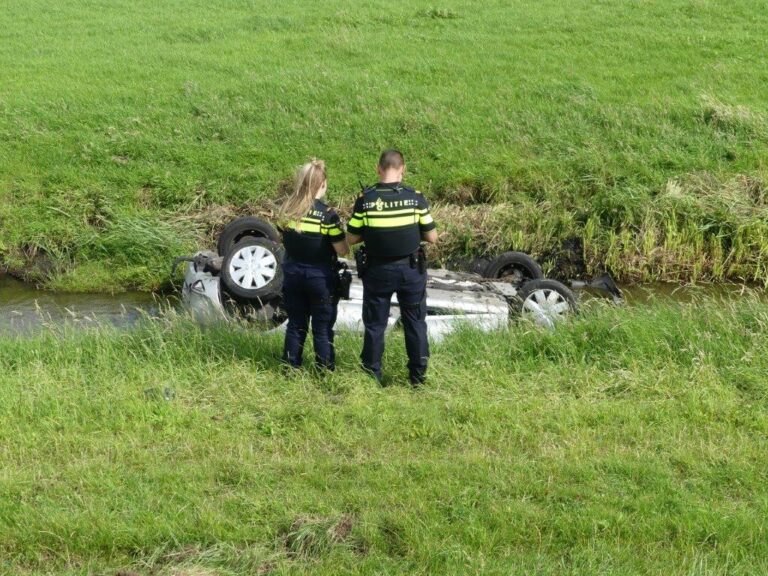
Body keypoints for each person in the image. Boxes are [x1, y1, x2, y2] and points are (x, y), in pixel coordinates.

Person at [346, 150, 438, 385]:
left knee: (375, 325)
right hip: (411, 270)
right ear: (402, 169)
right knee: (415, 323)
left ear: (379, 168)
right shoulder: (415, 198)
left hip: (378, 271)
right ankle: (418, 378)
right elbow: (432, 236)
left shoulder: (365, 199)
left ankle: (372, 377)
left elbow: (352, 238)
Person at [278, 159, 348, 371]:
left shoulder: (288, 211)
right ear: (323, 184)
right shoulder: (328, 215)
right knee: (322, 328)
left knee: (296, 326)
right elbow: (342, 250)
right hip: (320, 278)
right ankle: (325, 372)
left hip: (292, 274)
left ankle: (290, 369)